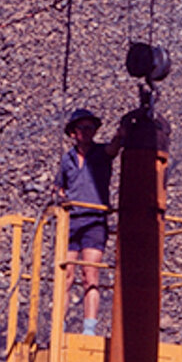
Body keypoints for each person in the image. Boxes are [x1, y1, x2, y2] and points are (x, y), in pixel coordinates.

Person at [54, 107, 124, 334]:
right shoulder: (67, 160)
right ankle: (59, 325)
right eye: (82, 128)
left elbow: (114, 149)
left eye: (90, 127)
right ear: (73, 133)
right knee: (66, 275)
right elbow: (59, 185)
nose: (87, 132)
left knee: (90, 274)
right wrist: (60, 196)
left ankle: (89, 327)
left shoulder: (102, 153)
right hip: (70, 221)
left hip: (94, 220)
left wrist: (122, 134)